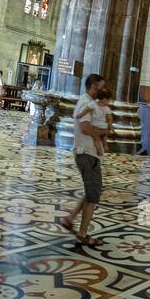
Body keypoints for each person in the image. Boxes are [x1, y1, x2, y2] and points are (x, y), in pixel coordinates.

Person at [60, 74, 108, 248]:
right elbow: (85, 127)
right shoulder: (85, 103)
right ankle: (82, 235)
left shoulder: (91, 103)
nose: (103, 90)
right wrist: (101, 134)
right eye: (101, 87)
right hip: (86, 154)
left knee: (91, 191)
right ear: (93, 87)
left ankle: (70, 218)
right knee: (93, 194)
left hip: (90, 154)